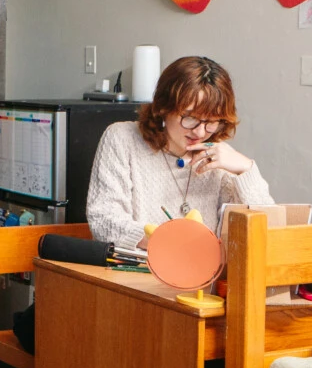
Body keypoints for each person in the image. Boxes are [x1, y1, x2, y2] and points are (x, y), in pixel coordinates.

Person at [86, 55, 274, 247]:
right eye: (190, 118)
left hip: (205, 275)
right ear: (163, 108)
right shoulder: (122, 138)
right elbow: (104, 222)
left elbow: (267, 232)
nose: (200, 132)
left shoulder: (219, 158)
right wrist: (168, 242)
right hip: (137, 271)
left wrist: (246, 168)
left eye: (211, 122)